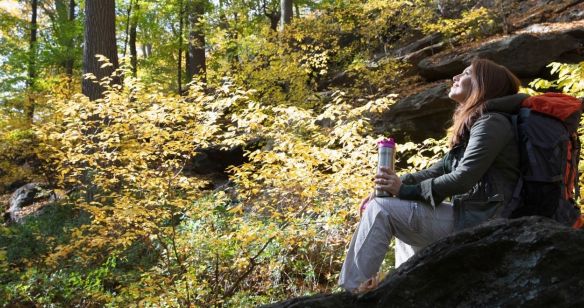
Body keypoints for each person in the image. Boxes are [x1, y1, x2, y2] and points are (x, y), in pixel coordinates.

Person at [338, 58, 527, 292]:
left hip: (486, 222)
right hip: (472, 216)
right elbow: (437, 170)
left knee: (382, 209)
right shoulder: (477, 123)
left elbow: (462, 178)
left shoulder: (492, 123)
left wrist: (403, 190)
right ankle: (405, 292)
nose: (455, 78)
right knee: (395, 206)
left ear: (483, 85)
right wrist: (391, 185)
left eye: (466, 73)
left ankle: (352, 290)